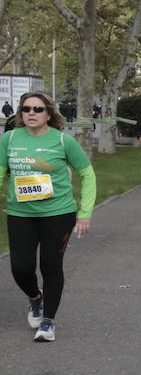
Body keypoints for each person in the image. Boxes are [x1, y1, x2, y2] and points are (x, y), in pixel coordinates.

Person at [0, 91, 95, 342]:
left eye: (38, 109)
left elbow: (88, 175)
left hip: (58, 213)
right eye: (26, 109)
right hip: (21, 213)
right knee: (20, 267)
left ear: (49, 114)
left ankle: (48, 322)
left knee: (51, 265)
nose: (31, 113)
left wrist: (84, 213)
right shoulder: (9, 139)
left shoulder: (63, 142)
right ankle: (35, 299)